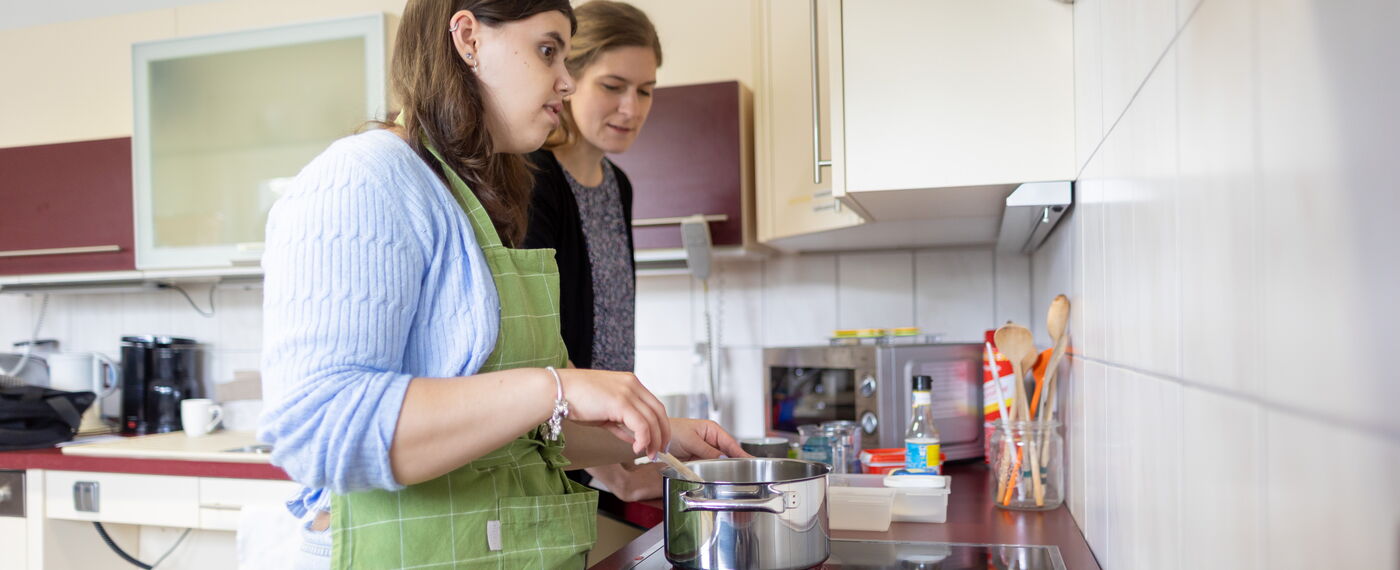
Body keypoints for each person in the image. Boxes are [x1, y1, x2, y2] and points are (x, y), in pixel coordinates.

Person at [257, 1, 744, 568]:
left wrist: (660, 436)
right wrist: (554, 386)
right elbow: (316, 427)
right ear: (467, 39)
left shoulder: (472, 200)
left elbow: (521, 433)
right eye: (547, 50)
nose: (565, 80)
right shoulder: (363, 177)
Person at [521, 0, 667, 503]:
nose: (632, 107)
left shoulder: (617, 186)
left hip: (598, 456)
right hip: (552, 457)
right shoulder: (533, 179)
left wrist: (621, 458)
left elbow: (608, 333)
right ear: (568, 78)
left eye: (645, 91)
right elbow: (533, 355)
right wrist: (610, 468)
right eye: (613, 86)